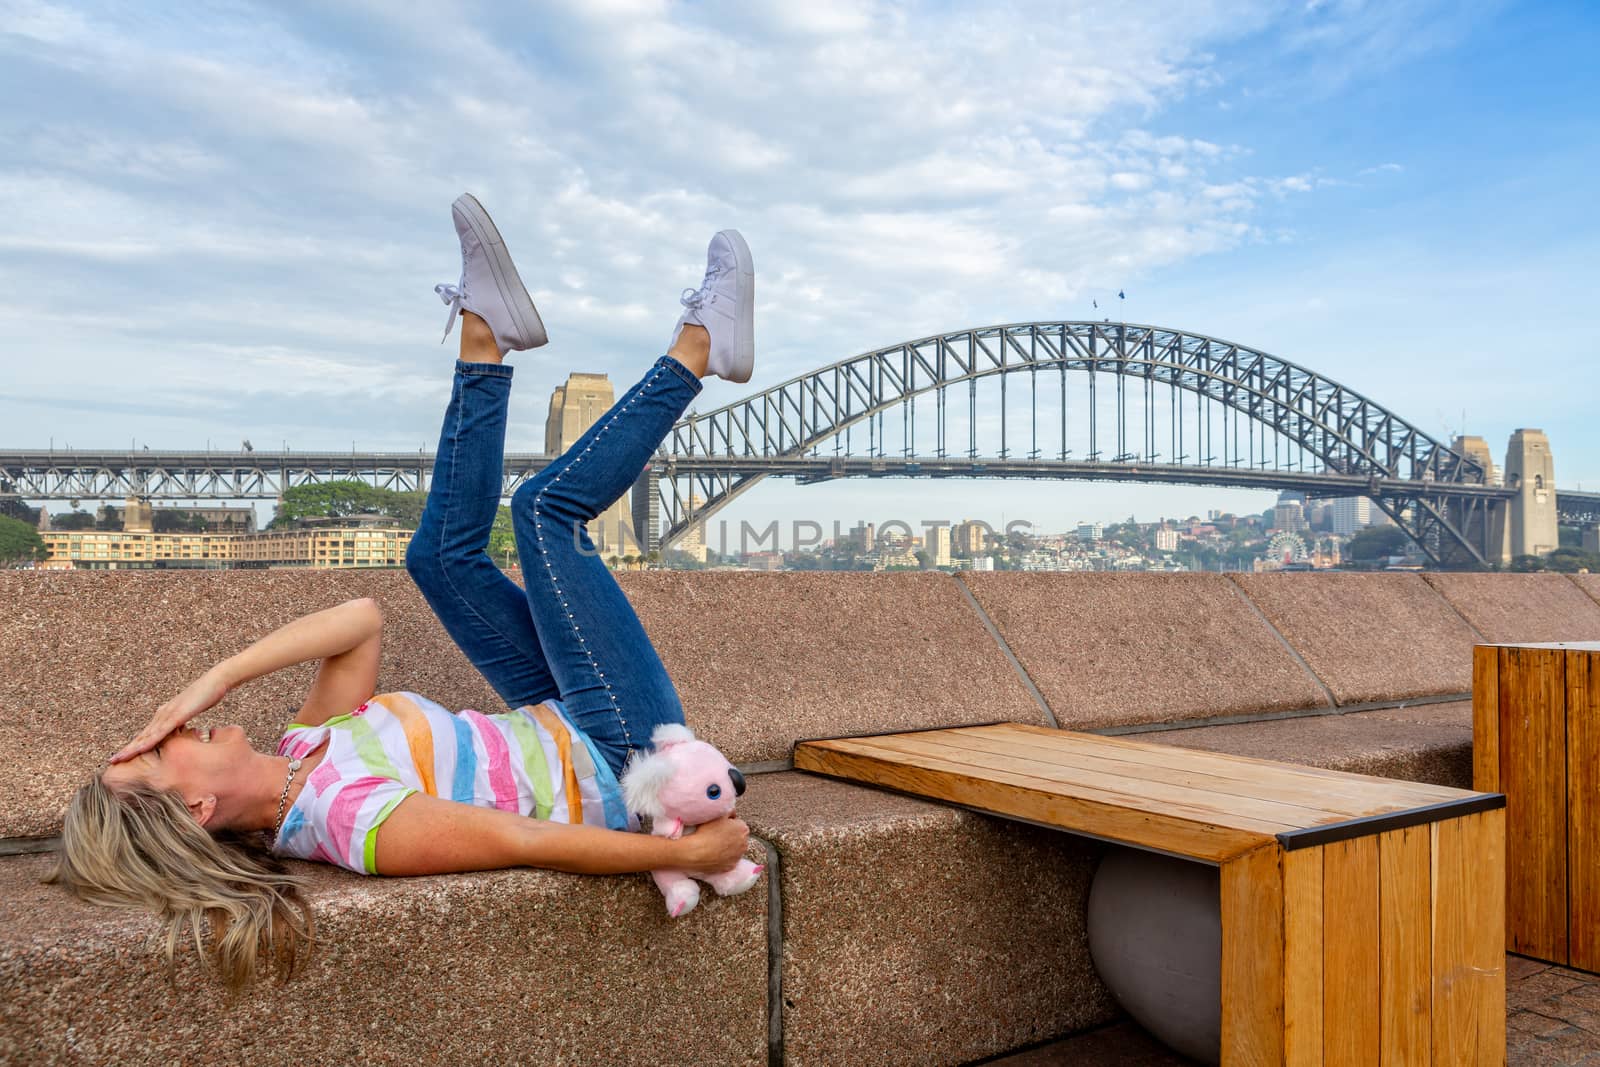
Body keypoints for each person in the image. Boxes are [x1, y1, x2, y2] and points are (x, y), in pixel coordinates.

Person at [51, 194, 760, 990]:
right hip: (620, 755)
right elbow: (522, 842)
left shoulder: (303, 748)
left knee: (441, 560)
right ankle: (698, 349)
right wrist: (680, 851)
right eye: (155, 751)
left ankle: (486, 334)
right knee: (544, 512)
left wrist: (213, 678)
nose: (167, 727)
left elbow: (359, 620)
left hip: (554, 716)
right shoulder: (345, 819)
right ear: (193, 810)